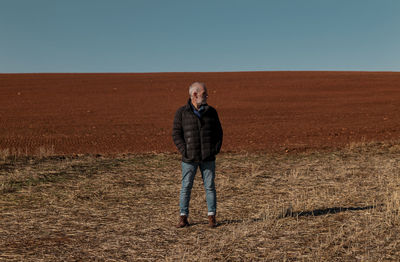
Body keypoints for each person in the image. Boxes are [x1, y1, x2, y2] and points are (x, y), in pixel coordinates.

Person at [172, 82, 223, 228]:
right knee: (186, 186)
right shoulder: (181, 113)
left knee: (210, 187)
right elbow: (176, 134)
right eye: (204, 93)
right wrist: (185, 150)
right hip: (189, 158)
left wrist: (214, 149)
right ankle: (183, 217)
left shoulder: (212, 112)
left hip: (208, 158)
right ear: (195, 94)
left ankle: (212, 216)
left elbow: (219, 133)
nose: (207, 95)